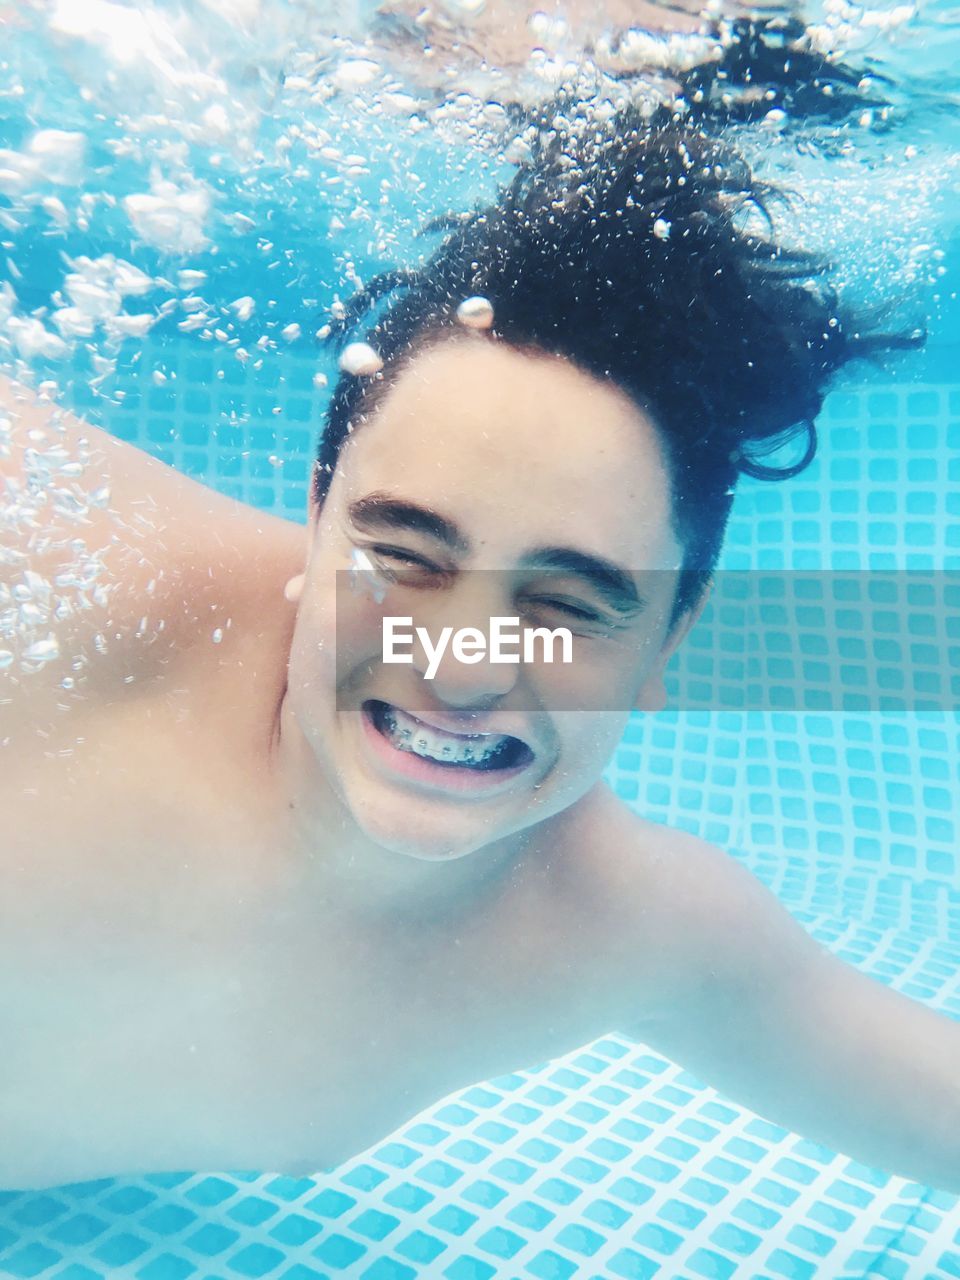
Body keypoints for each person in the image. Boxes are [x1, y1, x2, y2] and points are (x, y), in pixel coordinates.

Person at [0, 107, 957, 1195]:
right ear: (319, 523)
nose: (459, 667)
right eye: (406, 554)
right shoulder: (73, 571)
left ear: (666, 638)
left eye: (565, 603)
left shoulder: (607, 922)